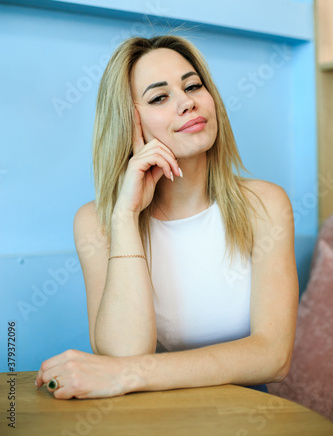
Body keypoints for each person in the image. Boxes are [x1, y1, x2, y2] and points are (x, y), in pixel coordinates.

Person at [35, 34, 299, 399]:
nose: (188, 102)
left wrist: (131, 375)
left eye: (193, 86)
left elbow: (272, 356)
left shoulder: (265, 204)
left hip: (244, 412)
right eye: (160, 97)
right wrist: (125, 218)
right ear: (129, 123)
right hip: (151, 415)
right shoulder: (96, 221)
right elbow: (123, 353)